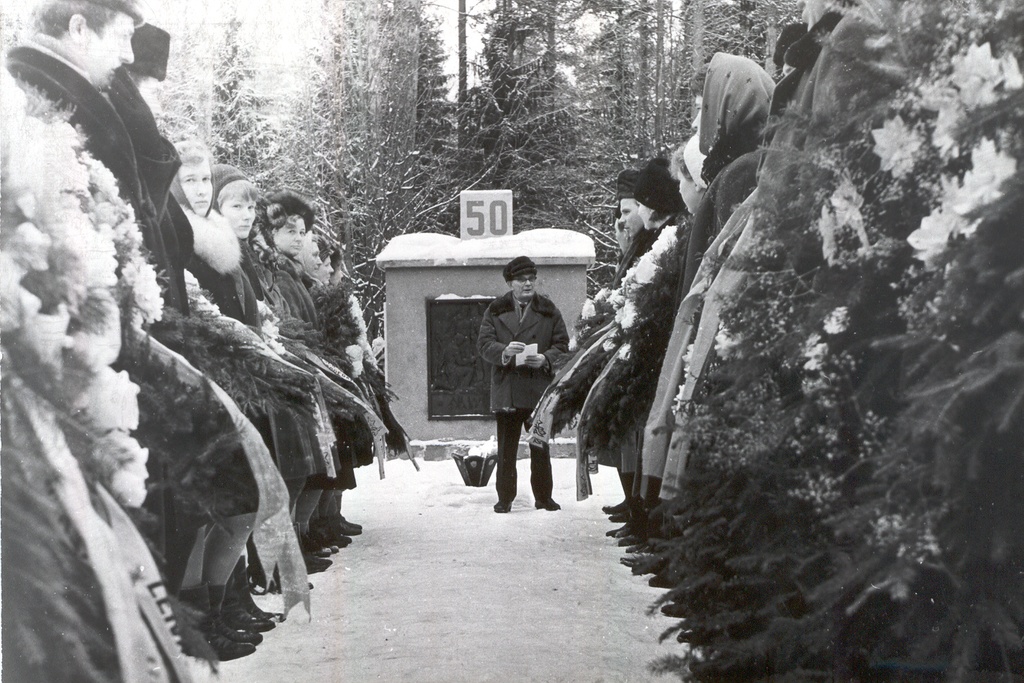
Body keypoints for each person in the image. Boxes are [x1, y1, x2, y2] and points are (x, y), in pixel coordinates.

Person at [7, 1, 190, 314]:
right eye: (122, 36)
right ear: (79, 28)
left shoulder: (63, 96)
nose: (129, 55)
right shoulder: (32, 109)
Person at [478, 257, 569, 513]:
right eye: (521, 279)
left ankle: (543, 497)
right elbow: (484, 344)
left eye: (531, 278)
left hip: (538, 388)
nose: (528, 283)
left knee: (539, 444)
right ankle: (505, 498)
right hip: (507, 388)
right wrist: (505, 352)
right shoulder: (495, 309)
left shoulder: (548, 309)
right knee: (507, 448)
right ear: (510, 283)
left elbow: (562, 345)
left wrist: (545, 358)